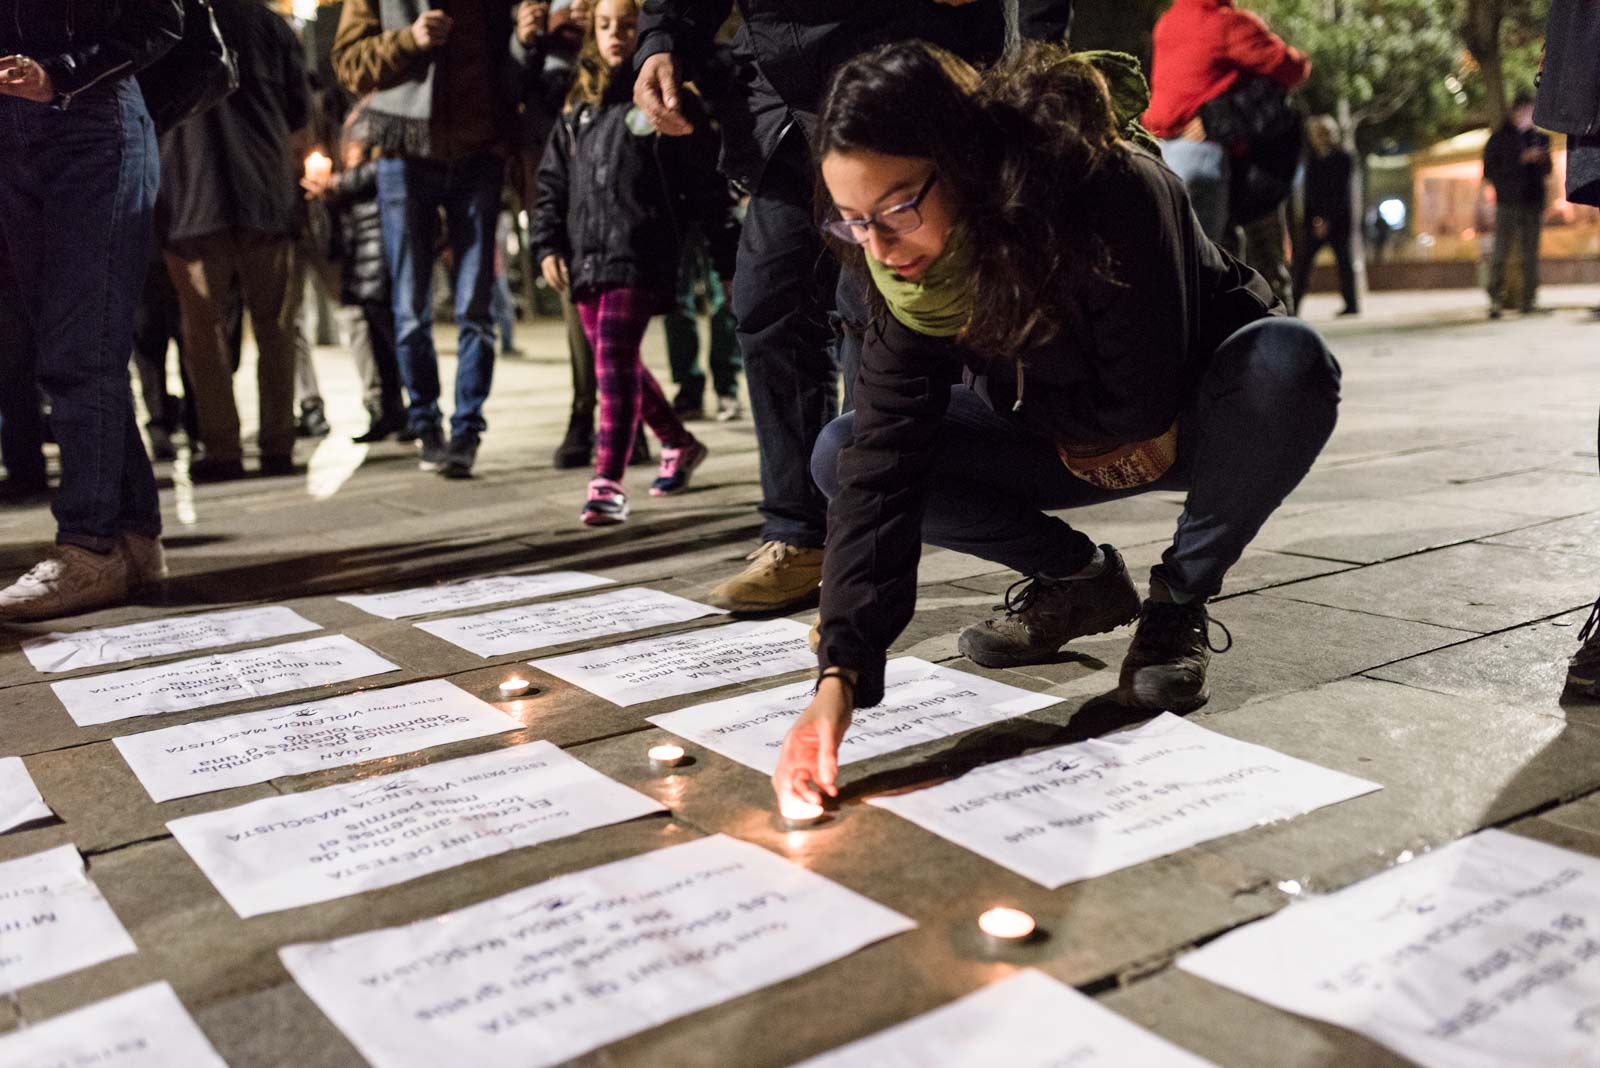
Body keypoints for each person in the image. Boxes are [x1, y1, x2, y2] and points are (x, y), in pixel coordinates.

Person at [770, 42, 1340, 809]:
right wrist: (840, 676)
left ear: (965, 159)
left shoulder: (1108, 191)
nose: (879, 247)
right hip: (1054, 426)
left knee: (1289, 364)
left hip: (1190, 410)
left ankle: (1177, 605)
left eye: (898, 208)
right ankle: (1076, 582)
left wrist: (1001, 358)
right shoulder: (902, 267)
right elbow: (882, 457)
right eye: (852, 223)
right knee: (841, 453)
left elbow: (1139, 396)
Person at [634, 0, 1073, 614]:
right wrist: (661, 38)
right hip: (785, 100)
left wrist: (1041, 55)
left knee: (872, 316)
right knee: (765, 305)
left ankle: (861, 551)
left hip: (908, 77)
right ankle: (796, 534)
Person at [0, 0, 179, 620]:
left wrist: (63, 72)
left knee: (78, 349)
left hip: (90, 126)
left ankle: (90, 546)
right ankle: (132, 537)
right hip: (12, 136)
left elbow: (161, 18)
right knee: (75, 348)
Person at [532, 0, 733, 525]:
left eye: (627, 24)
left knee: (613, 364)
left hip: (640, 253)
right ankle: (678, 442)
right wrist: (548, 244)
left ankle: (607, 481)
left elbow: (705, 185)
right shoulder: (576, 109)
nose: (615, 34)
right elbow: (551, 183)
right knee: (615, 363)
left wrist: (725, 255)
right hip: (585, 260)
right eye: (604, 25)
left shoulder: (664, 101)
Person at [332, 0, 542, 480]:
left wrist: (522, 41)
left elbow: (507, 73)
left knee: (475, 306)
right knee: (410, 307)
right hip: (404, 155)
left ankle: (466, 429)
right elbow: (348, 64)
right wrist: (409, 39)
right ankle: (425, 422)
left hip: (479, 153)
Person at [160, 0, 312, 482]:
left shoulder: (168, 20)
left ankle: (223, 448)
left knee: (203, 335)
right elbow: (300, 122)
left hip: (190, 199)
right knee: (277, 327)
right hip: (265, 195)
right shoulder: (271, 25)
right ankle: (278, 444)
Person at [1143, 0, 1310, 243]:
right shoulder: (1227, 23)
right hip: (1206, 154)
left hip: (1163, 154)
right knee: (1209, 262)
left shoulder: (1167, 22)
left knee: (1178, 256)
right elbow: (1293, 67)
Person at [303, 103, 408, 444]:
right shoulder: (356, 112)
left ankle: (412, 411)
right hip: (359, 234)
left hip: (378, 231)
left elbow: (380, 168)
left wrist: (334, 184)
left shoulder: (380, 111)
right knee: (375, 328)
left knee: (389, 328)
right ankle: (390, 410)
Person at [1483, 88, 1552, 320]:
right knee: (1501, 250)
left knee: (1530, 253)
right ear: (1518, 109)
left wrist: (1541, 158)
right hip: (1508, 202)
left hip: (1533, 200)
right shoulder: (1500, 137)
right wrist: (1519, 160)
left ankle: (1529, 299)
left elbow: (1548, 170)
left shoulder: (1539, 137)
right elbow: (1490, 170)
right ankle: (1495, 298)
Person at [666, 231, 743, 422]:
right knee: (676, 303)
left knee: (725, 300)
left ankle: (727, 388)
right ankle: (688, 388)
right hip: (676, 215)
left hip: (717, 211)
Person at [1292, 115, 1358, 317]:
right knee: (1303, 264)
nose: (1321, 138)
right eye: (1318, 133)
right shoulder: (1310, 159)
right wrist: (1316, 219)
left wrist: (1327, 219)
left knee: (1344, 262)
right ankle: (1293, 305)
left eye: (1325, 133)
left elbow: (1339, 192)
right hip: (1313, 220)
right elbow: (1310, 192)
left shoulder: (1344, 157)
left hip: (1338, 220)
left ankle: (1351, 304)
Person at [0, 232, 48, 503]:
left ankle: (25, 471)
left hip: (11, 279)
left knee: (15, 381)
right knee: (15, 381)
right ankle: (24, 469)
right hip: (15, 275)